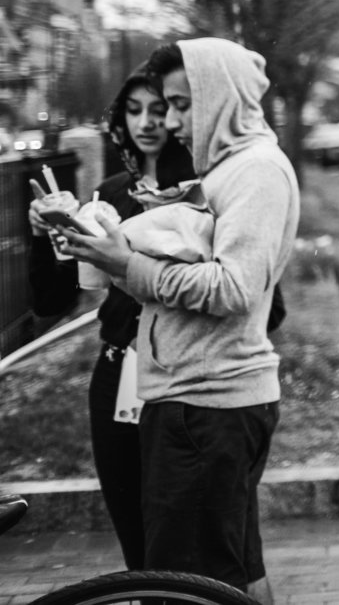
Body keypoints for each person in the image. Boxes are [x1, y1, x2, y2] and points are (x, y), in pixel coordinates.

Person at [59, 39, 299, 603]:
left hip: (206, 405)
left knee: (185, 591)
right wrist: (102, 251)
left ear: (223, 97)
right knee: (232, 579)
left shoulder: (256, 172)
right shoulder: (226, 172)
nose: (169, 120)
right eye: (166, 105)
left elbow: (234, 288)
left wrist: (128, 262)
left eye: (183, 104)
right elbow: (169, 279)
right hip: (203, 403)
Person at [26, 68, 195, 570]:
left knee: (186, 541)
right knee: (136, 540)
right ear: (120, 119)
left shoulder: (200, 191)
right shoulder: (109, 193)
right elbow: (55, 301)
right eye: (134, 109)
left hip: (178, 375)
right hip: (115, 375)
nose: (146, 122)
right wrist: (45, 235)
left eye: (159, 109)